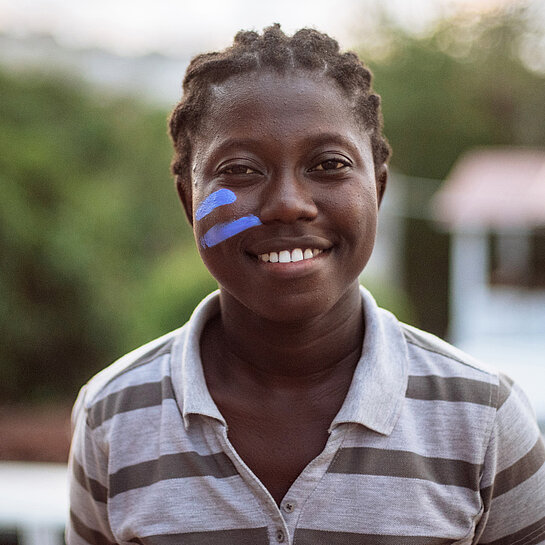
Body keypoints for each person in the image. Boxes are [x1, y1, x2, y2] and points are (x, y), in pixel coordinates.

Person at [67, 25, 545, 545]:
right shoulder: (112, 416)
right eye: (241, 169)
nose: (289, 203)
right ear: (188, 200)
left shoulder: (483, 417)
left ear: (378, 188)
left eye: (329, 165)